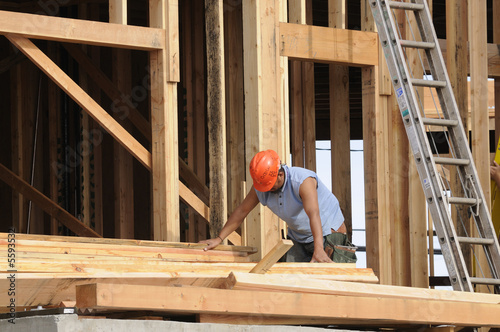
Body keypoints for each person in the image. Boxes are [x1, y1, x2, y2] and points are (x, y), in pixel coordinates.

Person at [199, 149, 356, 263]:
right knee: (291, 282)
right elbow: (242, 211)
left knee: (328, 283)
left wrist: (319, 248)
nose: (266, 191)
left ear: (280, 174)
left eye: (269, 186)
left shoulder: (302, 181)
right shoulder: (261, 186)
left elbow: (313, 213)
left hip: (328, 234)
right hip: (299, 236)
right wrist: (219, 238)